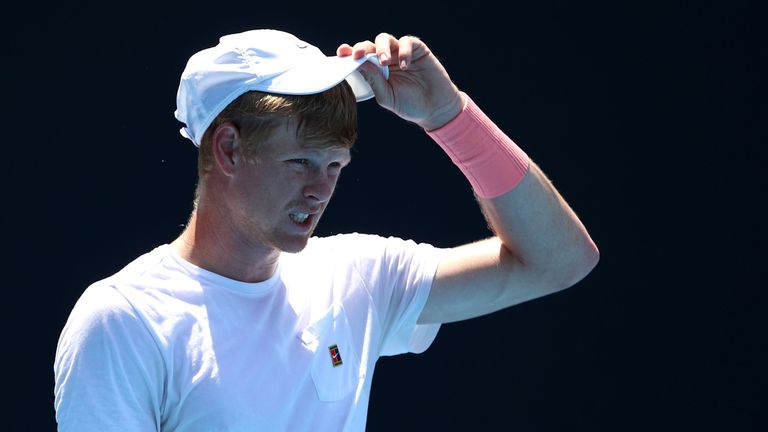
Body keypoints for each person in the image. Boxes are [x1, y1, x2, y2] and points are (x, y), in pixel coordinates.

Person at [54, 29, 599, 431]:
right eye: (301, 163)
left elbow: (558, 261)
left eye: (335, 165)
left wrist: (449, 116)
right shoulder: (122, 321)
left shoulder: (358, 274)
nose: (321, 191)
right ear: (227, 150)